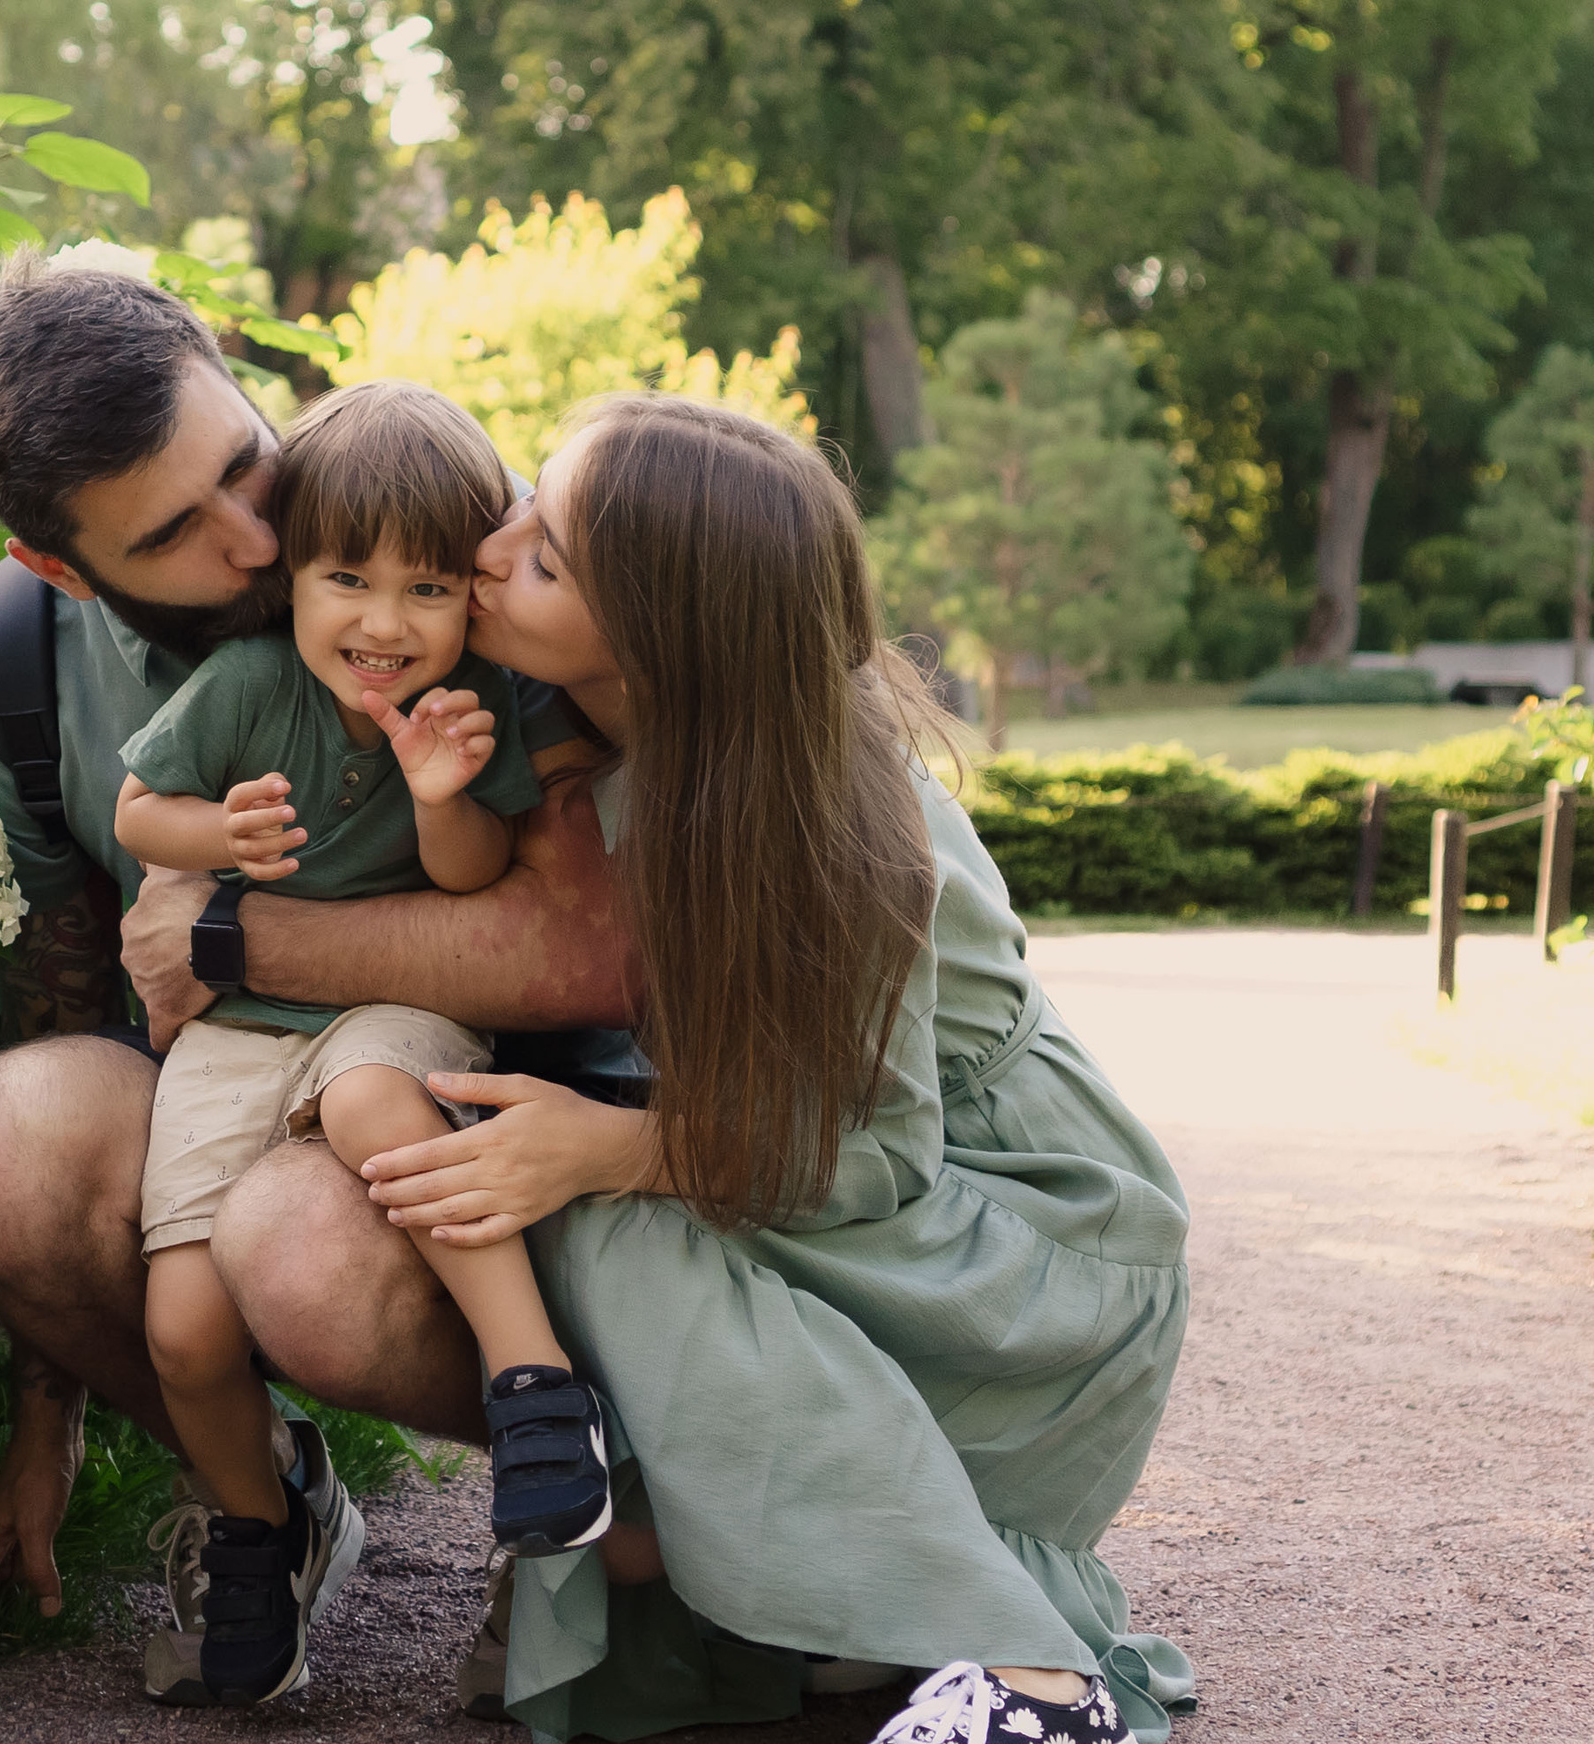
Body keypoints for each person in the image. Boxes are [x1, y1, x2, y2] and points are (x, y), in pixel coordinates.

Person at [324, 393, 1196, 1744]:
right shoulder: (615, 721)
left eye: (545, 555)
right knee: (565, 1196)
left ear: (663, 642)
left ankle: (1026, 1666)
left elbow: (879, 1154)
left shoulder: (814, 808)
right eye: (527, 507)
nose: (491, 551)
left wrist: (611, 1145)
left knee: (602, 1211)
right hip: (865, 1202)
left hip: (1019, 1234)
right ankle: (756, 1600)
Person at [0, 250, 634, 1712]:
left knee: (307, 1236)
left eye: (245, 465)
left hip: (518, 1110)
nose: (258, 541)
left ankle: (614, 1496)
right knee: (9, 1139)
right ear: (59, 565)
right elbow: (60, 990)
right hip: (238, 1077)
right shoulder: (16, 666)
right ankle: (260, 1496)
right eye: (178, 532)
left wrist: (228, 934)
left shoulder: (440, 538)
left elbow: (579, 945)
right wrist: (40, 1419)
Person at [111, 380, 615, 1703]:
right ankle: (255, 1529)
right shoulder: (247, 684)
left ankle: (534, 1388)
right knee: (182, 1323)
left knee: (377, 1102)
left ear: (472, 598)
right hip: (238, 1032)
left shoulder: (473, 708)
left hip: (382, 1010)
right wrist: (209, 838)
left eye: (429, 591)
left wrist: (440, 795)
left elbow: (469, 885)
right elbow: (136, 811)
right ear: (293, 582)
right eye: (348, 579)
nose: (385, 625)